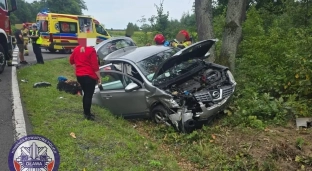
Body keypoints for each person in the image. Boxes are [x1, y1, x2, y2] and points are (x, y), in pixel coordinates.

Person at [69, 45, 101, 121]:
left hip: (80, 76)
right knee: (88, 95)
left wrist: (77, 69)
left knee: (85, 94)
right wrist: (99, 77)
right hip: (89, 76)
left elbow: (71, 60)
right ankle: (87, 114)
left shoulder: (77, 48)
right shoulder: (91, 50)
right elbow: (95, 66)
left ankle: (86, 112)